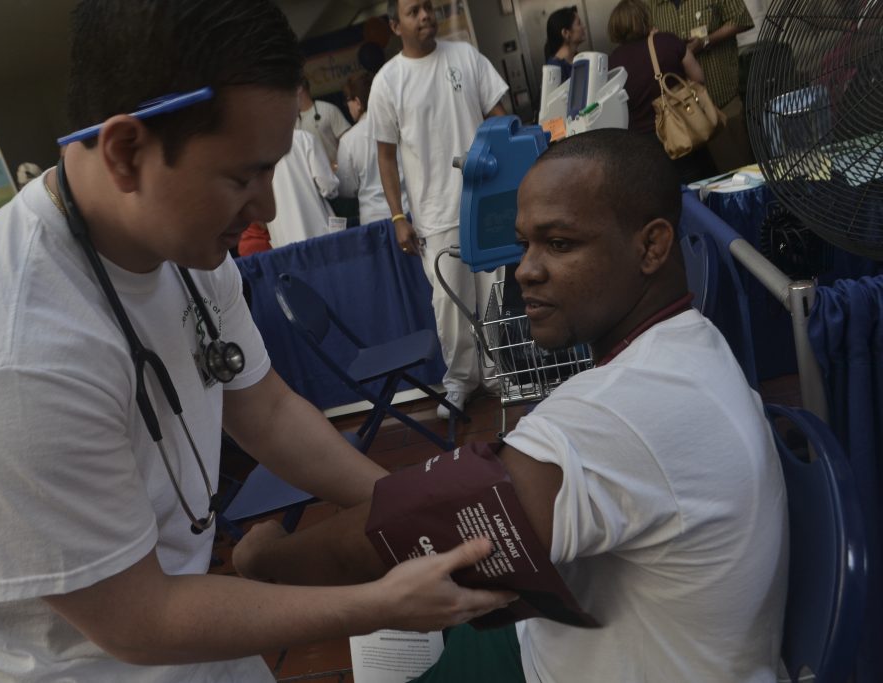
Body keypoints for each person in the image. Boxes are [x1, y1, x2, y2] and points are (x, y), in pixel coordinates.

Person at [0, 2, 514, 681]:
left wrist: (410, 505)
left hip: (203, 634)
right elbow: (138, 620)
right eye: (243, 177)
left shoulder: (185, 250)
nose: (267, 208)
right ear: (127, 151)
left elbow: (267, 411)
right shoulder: (5, 356)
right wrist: (374, 604)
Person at [232, 129, 788, 683]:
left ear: (652, 246)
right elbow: (434, 508)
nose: (526, 270)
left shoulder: (629, 408)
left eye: (560, 244)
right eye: (525, 244)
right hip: (550, 644)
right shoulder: (687, 345)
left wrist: (269, 560)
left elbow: (414, 529)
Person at [370, 0, 510, 418]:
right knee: (449, 306)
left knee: (493, 296)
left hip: (485, 204)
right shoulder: (388, 81)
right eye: (413, 11)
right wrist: (398, 216)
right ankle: (459, 382)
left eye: (428, 7)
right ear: (396, 25)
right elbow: (386, 157)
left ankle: (496, 373)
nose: (425, 16)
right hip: (435, 212)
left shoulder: (465, 55)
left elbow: (499, 115)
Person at [608, 0, 717, 183]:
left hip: (643, 146)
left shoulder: (613, 61)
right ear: (644, 18)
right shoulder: (667, 42)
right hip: (681, 132)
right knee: (701, 187)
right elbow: (698, 78)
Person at [648, 0, 755, 172]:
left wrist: (706, 41)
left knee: (740, 171)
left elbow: (741, 20)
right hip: (682, 113)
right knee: (700, 181)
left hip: (722, 97)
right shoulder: (650, 4)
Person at [337, 70, 407, 225]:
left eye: (347, 101)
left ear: (357, 102)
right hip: (408, 209)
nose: (347, 107)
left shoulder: (349, 140)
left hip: (374, 219)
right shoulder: (398, 123)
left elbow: (347, 188)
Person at [266, 127, 341, 248]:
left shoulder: (255, 151)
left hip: (284, 242)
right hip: (318, 234)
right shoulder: (304, 138)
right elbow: (328, 186)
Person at [296, 77, 351, 166]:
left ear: (299, 88)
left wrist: (337, 165)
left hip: (339, 174)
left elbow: (349, 142)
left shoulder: (328, 109)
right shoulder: (291, 122)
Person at [544, 6, 587, 83]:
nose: (584, 27)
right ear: (566, 33)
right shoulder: (554, 69)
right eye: (579, 23)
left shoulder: (581, 59)